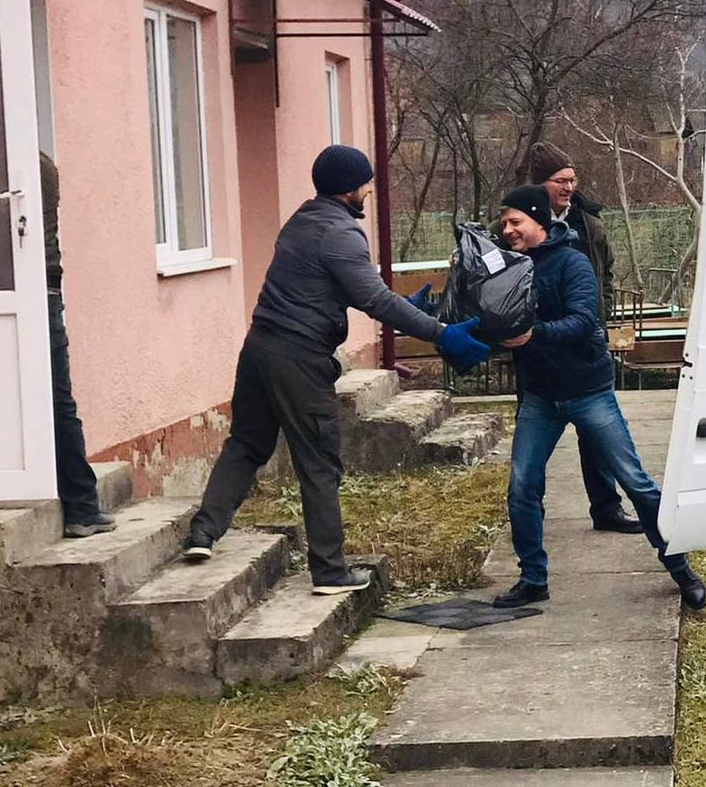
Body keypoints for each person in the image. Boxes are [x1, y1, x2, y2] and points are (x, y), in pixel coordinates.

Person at [181, 145, 492, 594]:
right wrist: (440, 333)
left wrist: (406, 307)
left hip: (260, 347)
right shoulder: (341, 233)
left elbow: (328, 286)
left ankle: (203, 533)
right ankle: (329, 571)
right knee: (319, 462)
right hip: (299, 358)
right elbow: (373, 299)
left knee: (246, 443)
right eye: (366, 182)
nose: (369, 189)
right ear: (350, 189)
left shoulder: (302, 221)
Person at [489, 184, 706, 611]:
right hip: (540, 395)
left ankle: (681, 569)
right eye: (504, 223)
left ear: (538, 221)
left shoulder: (572, 263)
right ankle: (533, 579)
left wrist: (533, 334)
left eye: (515, 221)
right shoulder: (507, 265)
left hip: (587, 390)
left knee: (635, 481)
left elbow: (584, 320)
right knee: (522, 486)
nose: (507, 229)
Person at [521, 141, 639, 535]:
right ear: (541, 185)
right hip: (538, 350)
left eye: (572, 180)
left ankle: (607, 509)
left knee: (596, 438)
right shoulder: (518, 225)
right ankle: (530, 512)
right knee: (532, 447)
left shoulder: (590, 225)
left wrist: (601, 318)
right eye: (560, 181)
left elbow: (606, 276)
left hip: (584, 345)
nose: (569, 187)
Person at [42, 152, 116, 539]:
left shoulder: (22, 168)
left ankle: (82, 508)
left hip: (38, 292)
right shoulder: (33, 164)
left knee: (57, 403)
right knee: (59, 402)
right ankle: (82, 507)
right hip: (43, 293)